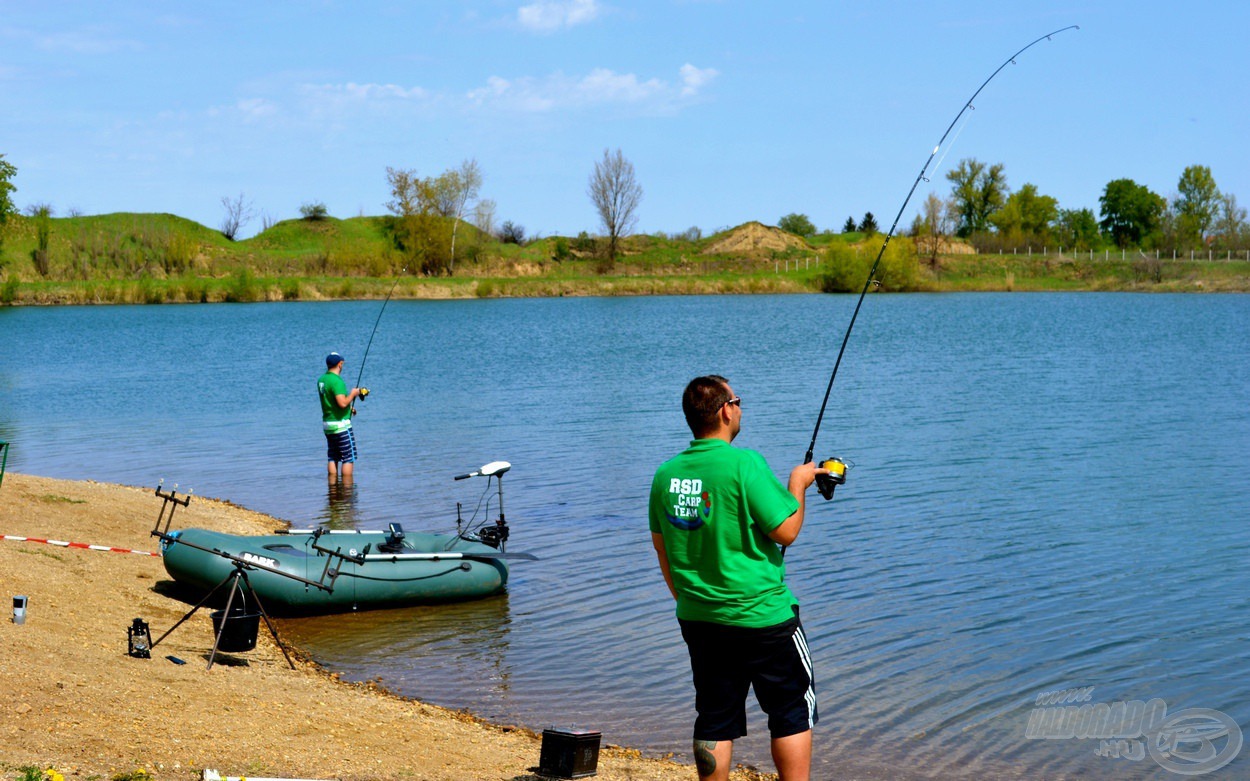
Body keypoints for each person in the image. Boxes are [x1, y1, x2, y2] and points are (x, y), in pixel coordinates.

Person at [649, 375, 827, 781]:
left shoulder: (665, 474)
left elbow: (663, 551)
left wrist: (691, 600)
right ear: (726, 410)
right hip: (764, 618)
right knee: (791, 709)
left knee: (714, 715)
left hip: (699, 618)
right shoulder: (745, 463)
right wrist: (797, 485)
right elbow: (787, 531)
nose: (741, 408)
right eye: (738, 401)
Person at [317, 352, 363, 482]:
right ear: (340, 364)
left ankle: (333, 489)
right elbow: (342, 403)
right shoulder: (337, 381)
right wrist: (353, 394)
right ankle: (347, 491)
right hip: (341, 426)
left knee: (333, 456)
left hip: (328, 425)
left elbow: (331, 402)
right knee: (348, 458)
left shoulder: (322, 380)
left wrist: (349, 409)